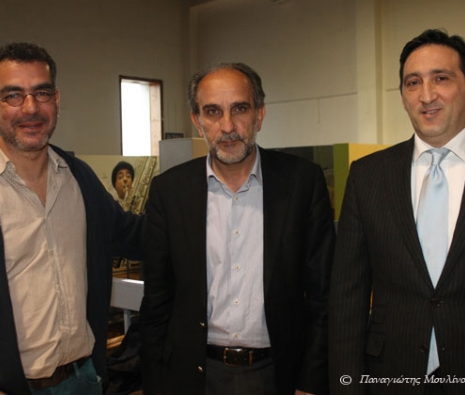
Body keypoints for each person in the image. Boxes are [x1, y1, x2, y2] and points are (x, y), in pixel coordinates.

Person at [328, 29, 465, 395]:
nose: (426, 95)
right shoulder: (367, 176)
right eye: (413, 83)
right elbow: (347, 296)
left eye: (441, 78)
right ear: (403, 96)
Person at [0, 43, 143, 395]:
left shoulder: (79, 179)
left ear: (56, 100)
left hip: (84, 380)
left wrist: (202, 204)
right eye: (13, 95)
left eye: (41, 93)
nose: (30, 108)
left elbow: (135, 235)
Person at [139, 62, 335, 395]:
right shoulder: (169, 191)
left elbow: (324, 296)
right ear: (197, 121)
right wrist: (156, 383)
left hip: (279, 374)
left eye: (240, 109)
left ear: (259, 114)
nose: (228, 126)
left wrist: (311, 381)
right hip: (194, 376)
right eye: (213, 112)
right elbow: (157, 301)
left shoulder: (302, 182)